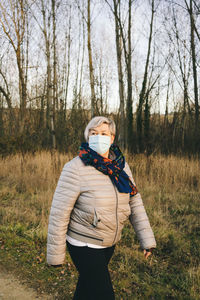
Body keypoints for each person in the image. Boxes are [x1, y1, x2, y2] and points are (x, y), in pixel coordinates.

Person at [46, 116, 156, 300]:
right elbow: (60, 212)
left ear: (112, 138)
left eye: (104, 133)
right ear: (88, 137)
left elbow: (135, 202)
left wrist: (147, 240)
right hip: (83, 241)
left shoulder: (121, 167)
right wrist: (56, 256)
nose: (98, 137)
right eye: (93, 133)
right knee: (104, 294)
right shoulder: (75, 167)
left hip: (108, 242)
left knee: (87, 288)